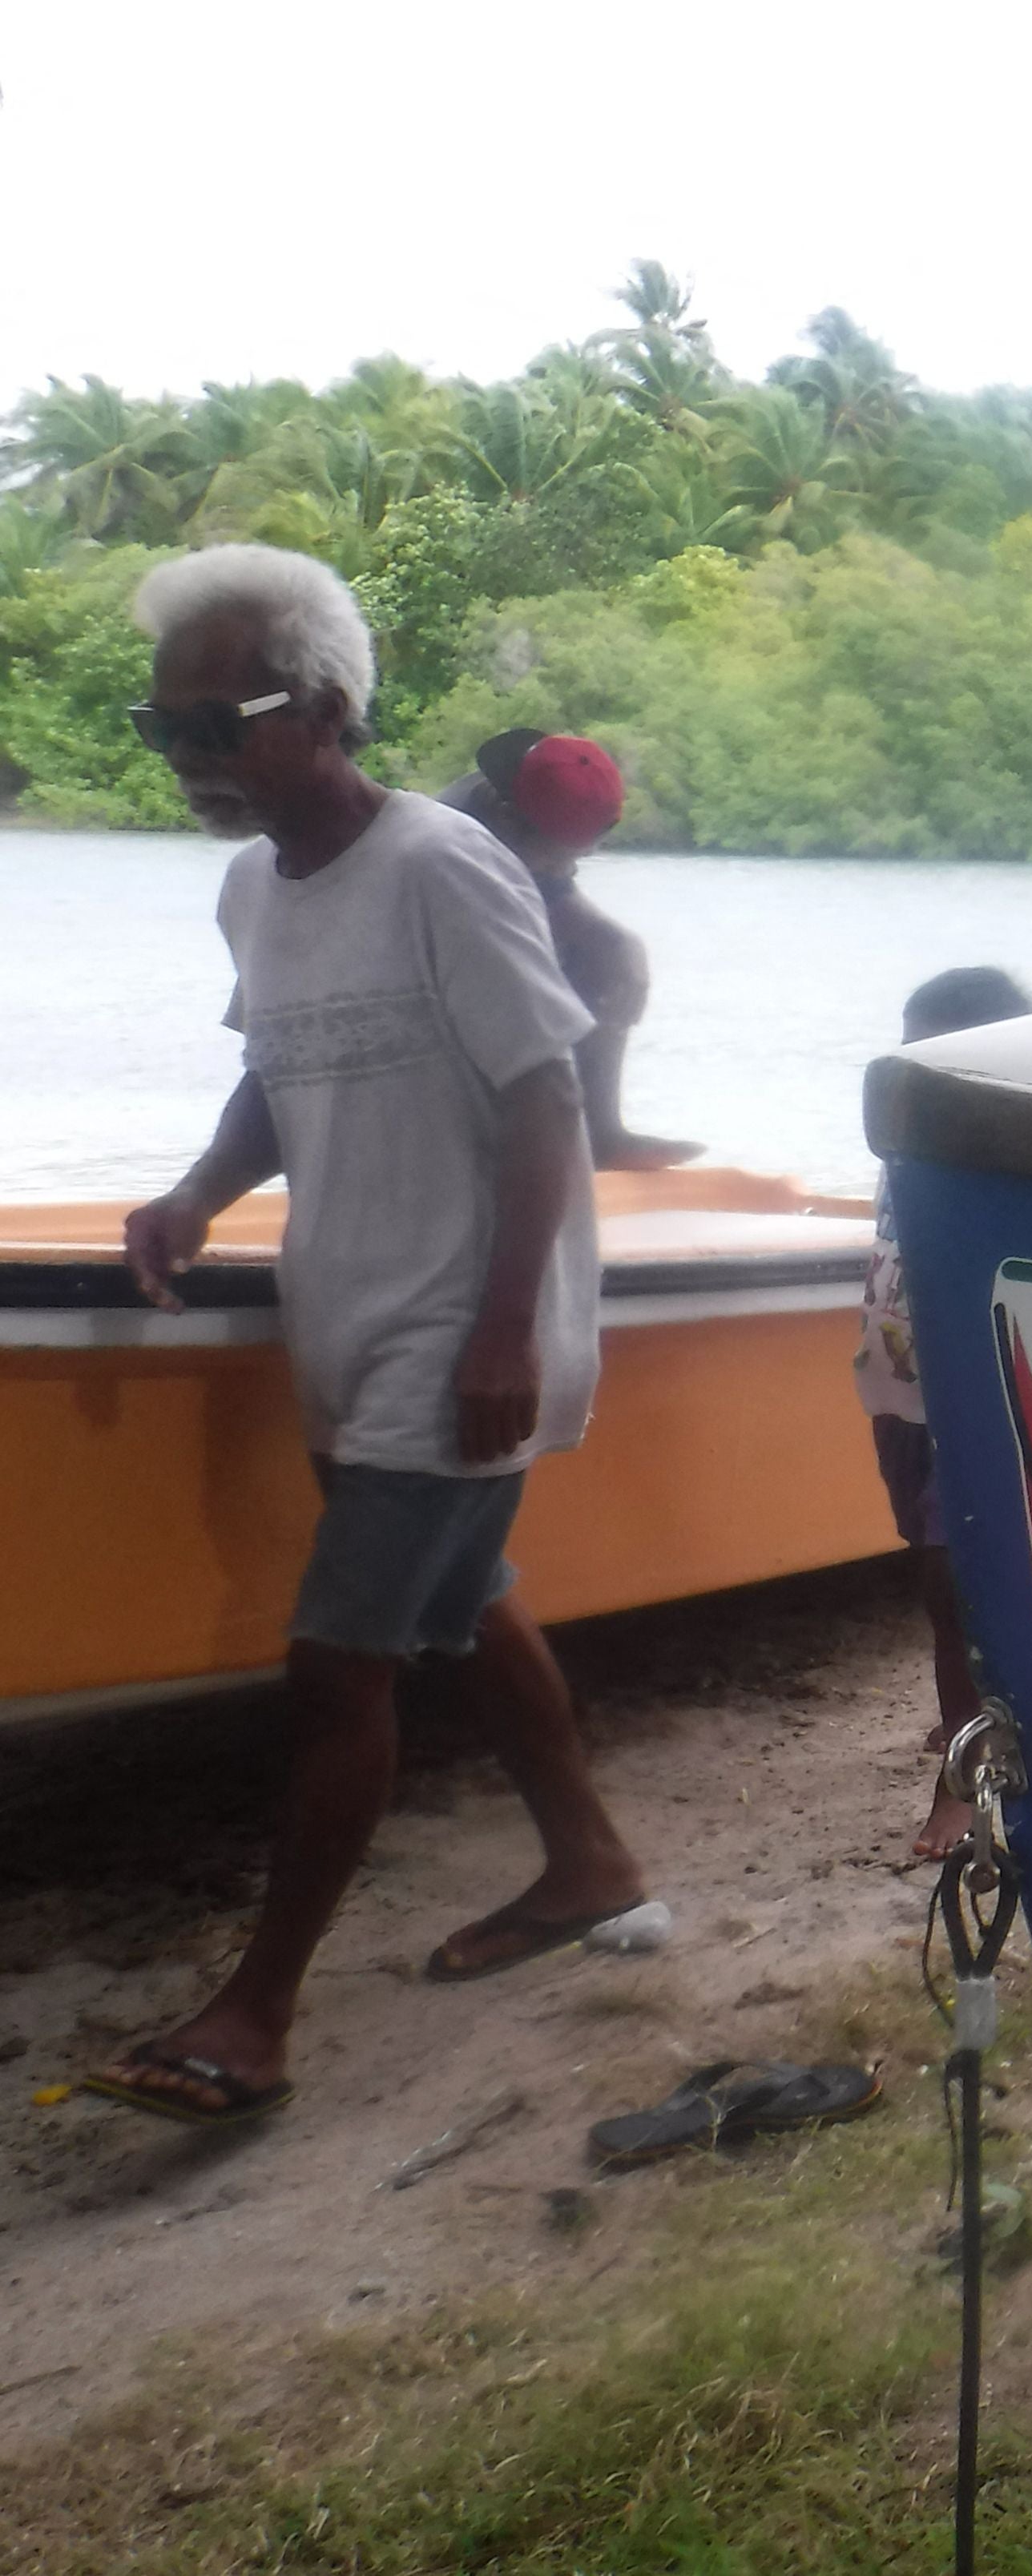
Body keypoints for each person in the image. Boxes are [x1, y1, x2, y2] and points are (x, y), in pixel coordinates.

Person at [90, 545, 649, 2129]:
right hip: (352, 1308)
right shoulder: (252, 885)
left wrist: (498, 1334)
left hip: (465, 1327)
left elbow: (545, 1098)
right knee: (467, 1600)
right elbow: (279, 1066)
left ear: (329, 706)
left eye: (224, 721)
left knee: (340, 1662)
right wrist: (198, 1191)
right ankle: (589, 1859)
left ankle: (257, 2009)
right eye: (166, 729)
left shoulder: (443, 868)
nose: (194, 757)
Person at [860, 965, 1032, 1862]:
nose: (909, 1066)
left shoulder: (1016, 1148)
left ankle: (962, 1787)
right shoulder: (904, 1138)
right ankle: (963, 1713)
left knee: (953, 1585)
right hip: (899, 1391)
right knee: (936, 1590)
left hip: (969, 1393)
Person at [438, 728, 700, 1171]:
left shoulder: (530, 813)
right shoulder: (450, 840)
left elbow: (562, 900)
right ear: (506, 819)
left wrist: (623, 948)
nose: (568, 870)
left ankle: (602, 1133)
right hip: (424, 976)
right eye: (560, 859)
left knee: (610, 957)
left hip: (502, 906)